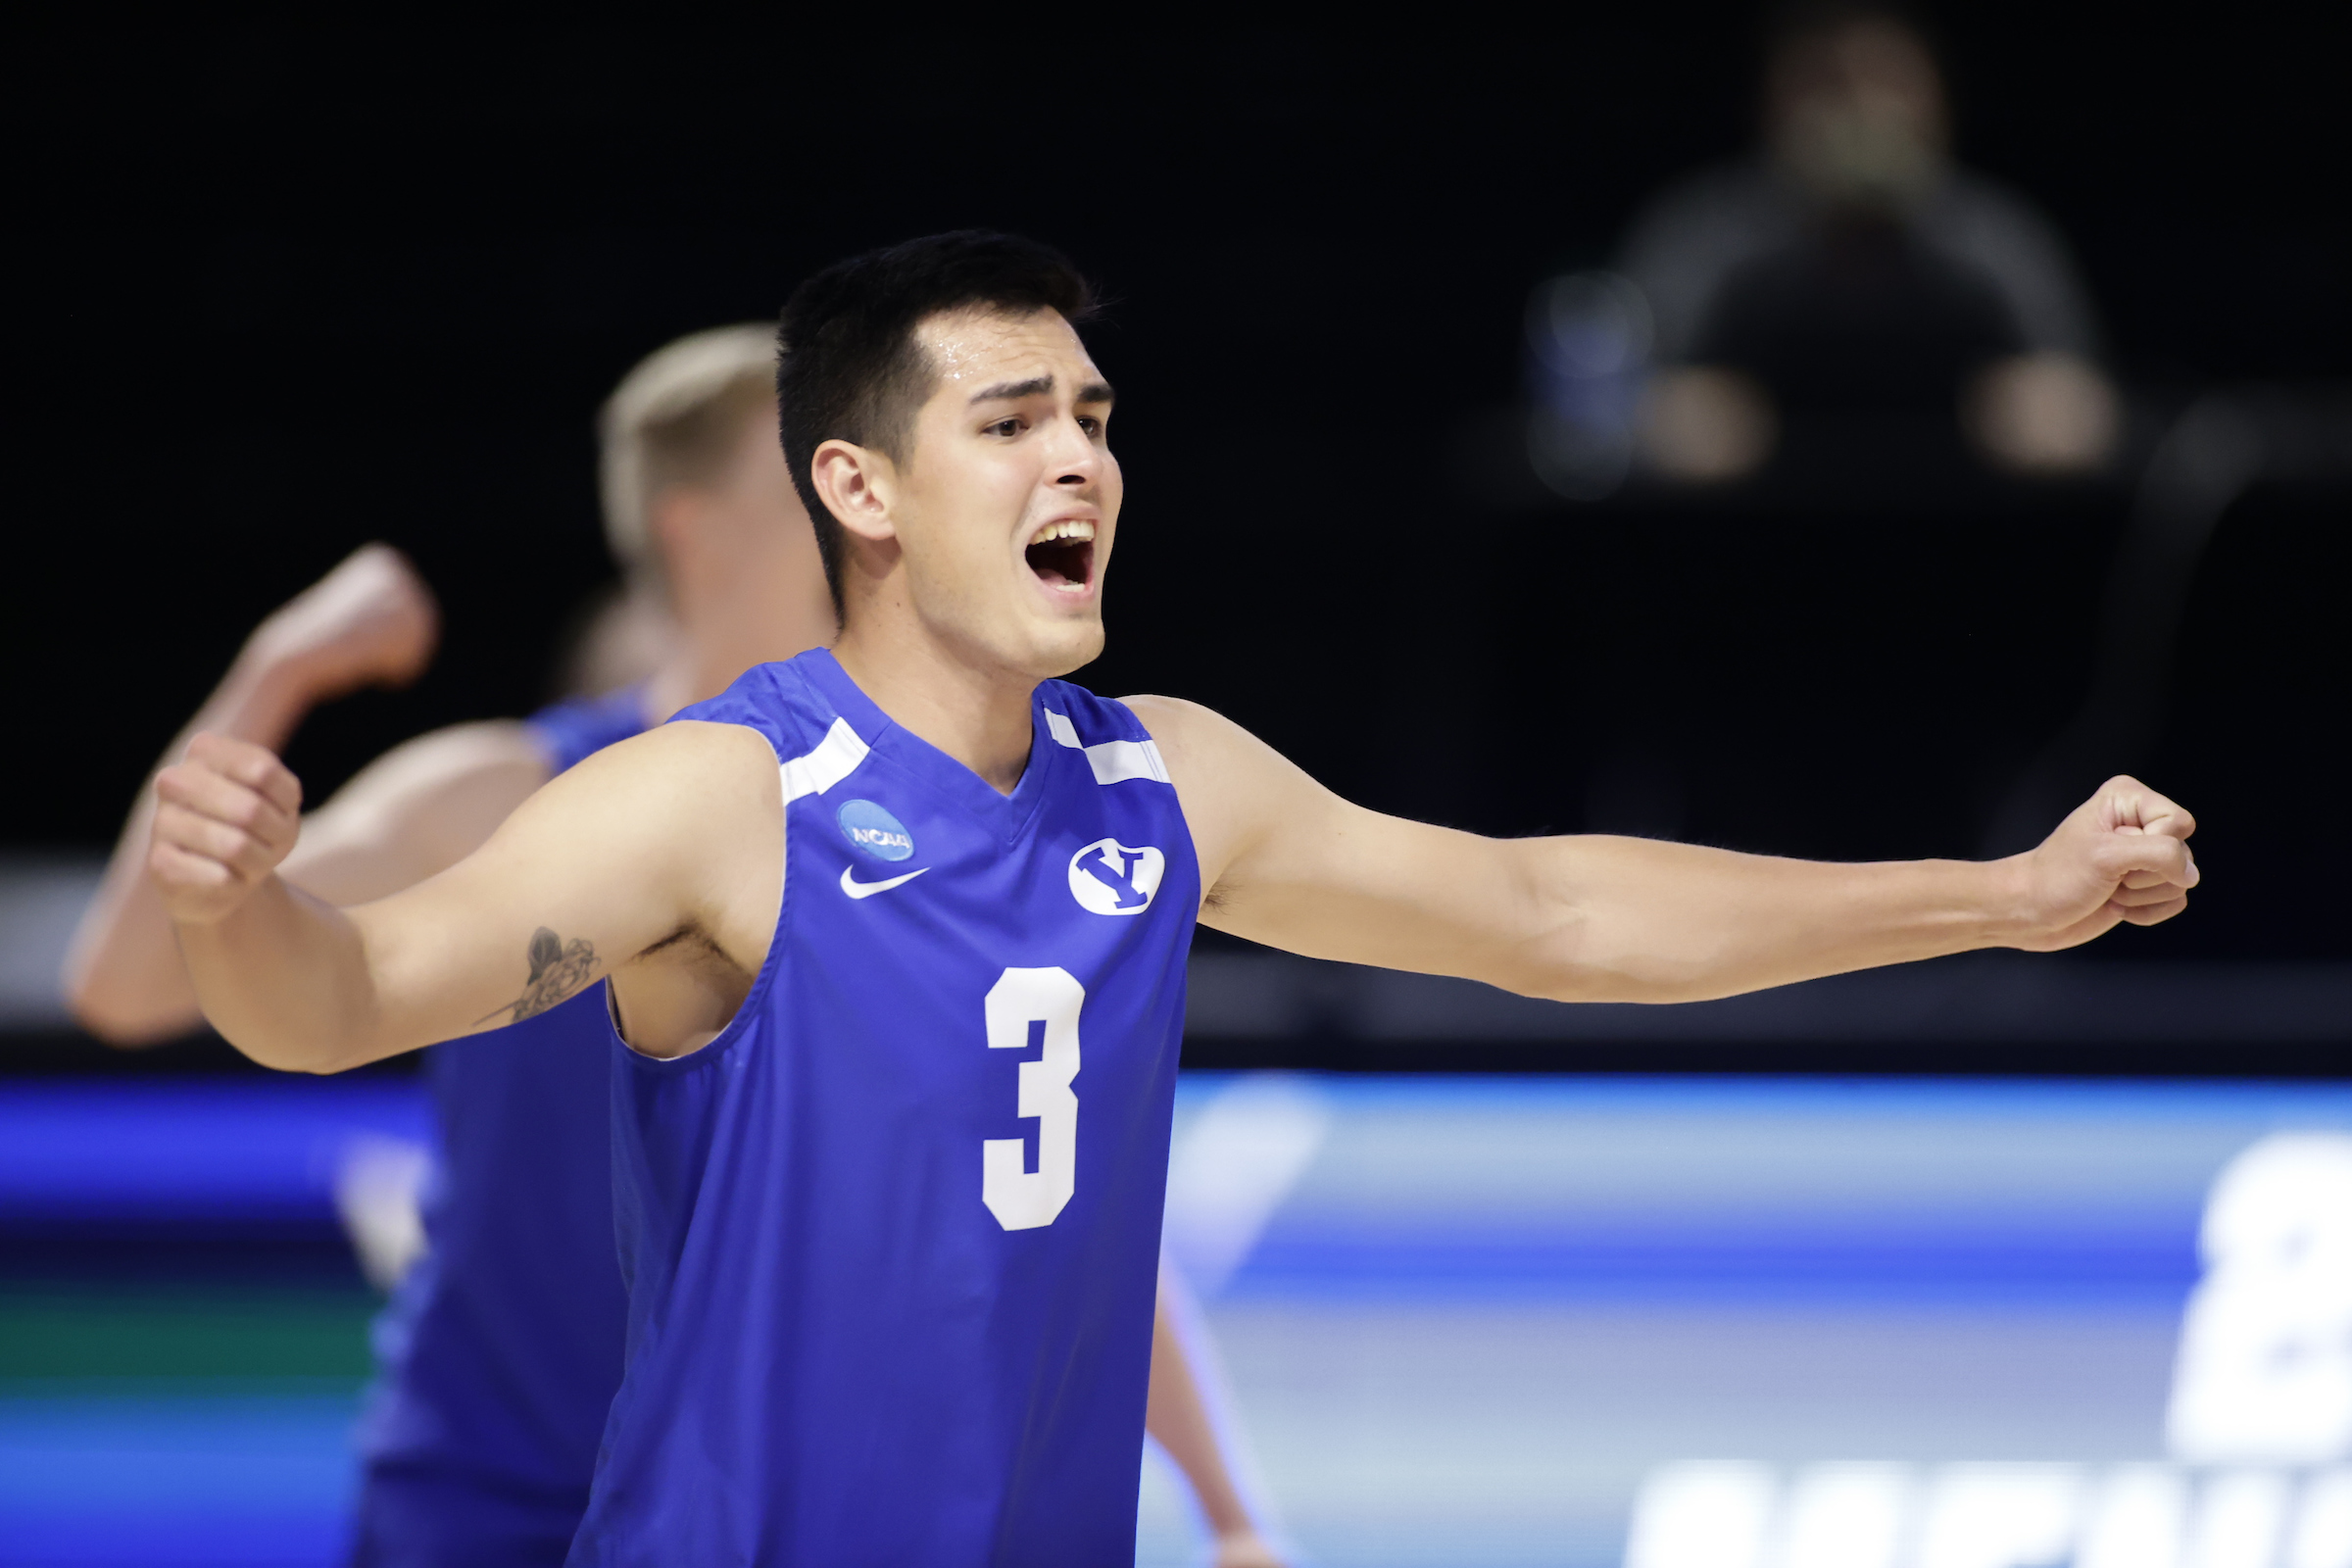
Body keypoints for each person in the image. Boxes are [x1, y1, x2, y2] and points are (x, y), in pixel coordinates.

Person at [145, 231, 2197, 1565]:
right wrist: (241, 899)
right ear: (853, 490)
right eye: (1012, 421)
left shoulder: (1162, 784)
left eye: (1100, 422)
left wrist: (2001, 895)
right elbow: (336, 996)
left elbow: (1555, 912)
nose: (1084, 464)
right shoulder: (719, 797)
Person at [71, 319, 1288, 1566]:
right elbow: (123, 983)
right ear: (694, 530)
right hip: (481, 1508)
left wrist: (1234, 1510)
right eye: (821, 465)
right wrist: (281, 670)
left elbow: (1054, 1209)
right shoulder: (504, 788)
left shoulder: (956, 830)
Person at [1617, 2, 2120, 483]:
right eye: (1826, 85)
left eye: (1887, 83)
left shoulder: (2000, 234)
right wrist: (1658, 416)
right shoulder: (1699, 231)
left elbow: (2084, 396)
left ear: (1938, 102)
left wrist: (2061, 412)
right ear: (1770, 104)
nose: (1860, 111)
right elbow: (1600, 411)